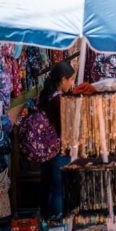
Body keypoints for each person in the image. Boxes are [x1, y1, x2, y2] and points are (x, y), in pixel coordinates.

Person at [36, 61, 75, 219]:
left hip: (46, 149)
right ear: (63, 79)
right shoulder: (59, 100)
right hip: (58, 149)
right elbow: (65, 127)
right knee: (59, 190)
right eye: (71, 79)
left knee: (48, 187)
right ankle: (57, 224)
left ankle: (46, 223)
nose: (72, 83)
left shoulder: (45, 96)